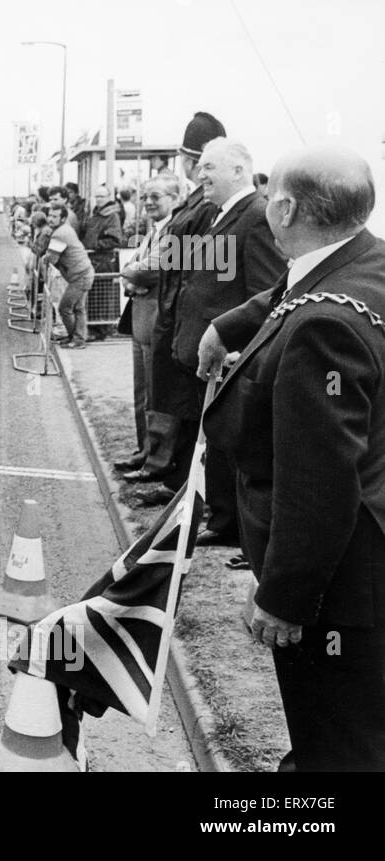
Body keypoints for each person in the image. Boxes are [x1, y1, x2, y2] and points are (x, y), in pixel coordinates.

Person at [200, 144, 385, 771]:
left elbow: (320, 484)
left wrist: (284, 596)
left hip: (343, 579)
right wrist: (227, 326)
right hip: (369, 551)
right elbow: (286, 289)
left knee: (335, 746)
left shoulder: (320, 328)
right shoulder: (365, 263)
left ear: (282, 208)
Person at [173, 138, 284, 544]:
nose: (200, 175)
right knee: (215, 440)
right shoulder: (220, 214)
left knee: (232, 445)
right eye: (200, 167)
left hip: (235, 355)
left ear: (238, 171)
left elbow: (267, 291)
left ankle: (231, 525)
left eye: (208, 167)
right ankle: (223, 519)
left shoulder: (253, 216)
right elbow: (201, 276)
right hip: (209, 348)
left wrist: (244, 347)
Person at [125, 112, 226, 508]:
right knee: (176, 404)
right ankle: (175, 481)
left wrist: (146, 268)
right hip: (174, 314)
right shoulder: (198, 203)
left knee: (185, 408)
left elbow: (188, 266)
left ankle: (183, 487)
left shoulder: (203, 206)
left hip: (180, 316)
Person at [113, 175, 180, 472]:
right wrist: (132, 276)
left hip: (157, 323)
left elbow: (147, 272)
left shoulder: (175, 232)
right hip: (141, 320)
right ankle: (144, 450)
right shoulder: (153, 231)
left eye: (156, 196)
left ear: (174, 198)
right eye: (145, 197)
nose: (149, 202)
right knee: (142, 393)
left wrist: (130, 273)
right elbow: (137, 274)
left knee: (157, 395)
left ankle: (156, 459)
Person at [43, 202, 95, 349]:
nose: (50, 219)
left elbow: (52, 259)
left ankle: (77, 340)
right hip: (83, 273)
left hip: (80, 276)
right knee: (78, 308)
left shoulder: (60, 233)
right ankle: (75, 337)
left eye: (54, 216)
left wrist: (46, 256)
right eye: (49, 215)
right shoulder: (65, 229)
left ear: (63, 218)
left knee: (64, 308)